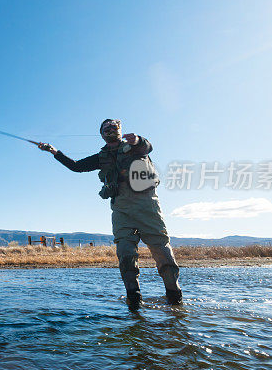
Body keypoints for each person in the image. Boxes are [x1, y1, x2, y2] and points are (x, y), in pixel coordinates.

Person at [38, 119, 182, 310]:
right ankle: (134, 301)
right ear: (101, 134)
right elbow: (76, 166)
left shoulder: (135, 147)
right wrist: (54, 151)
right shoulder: (101, 157)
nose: (110, 130)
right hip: (121, 210)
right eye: (106, 129)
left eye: (113, 127)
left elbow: (147, 147)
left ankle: (175, 299)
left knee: (162, 251)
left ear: (120, 130)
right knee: (125, 254)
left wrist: (138, 139)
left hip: (147, 207)